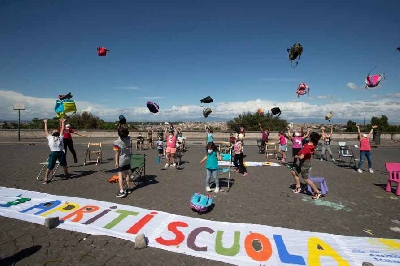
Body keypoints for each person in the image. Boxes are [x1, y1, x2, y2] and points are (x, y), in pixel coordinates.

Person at [291, 131, 322, 200]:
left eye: (309, 136)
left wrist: (296, 156)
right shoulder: (310, 145)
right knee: (294, 172)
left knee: (306, 179)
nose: (308, 136)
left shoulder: (307, 147)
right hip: (303, 163)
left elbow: (301, 157)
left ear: (311, 138)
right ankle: (298, 187)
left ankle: (317, 191)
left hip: (305, 163)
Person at [43, 118, 69, 184]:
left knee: (64, 164)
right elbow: (46, 131)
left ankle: (66, 173)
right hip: (53, 153)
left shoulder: (60, 136)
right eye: (54, 131)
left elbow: (62, 129)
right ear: (51, 133)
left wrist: (63, 122)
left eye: (56, 130)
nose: (56, 131)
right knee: (50, 165)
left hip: (61, 152)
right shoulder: (50, 137)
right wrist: (45, 123)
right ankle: (46, 178)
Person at [113, 126, 132, 198]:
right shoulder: (128, 139)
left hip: (121, 160)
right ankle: (128, 188)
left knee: (120, 175)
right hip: (127, 158)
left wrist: (116, 162)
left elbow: (116, 153)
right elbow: (126, 135)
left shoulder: (116, 142)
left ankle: (121, 190)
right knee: (127, 173)